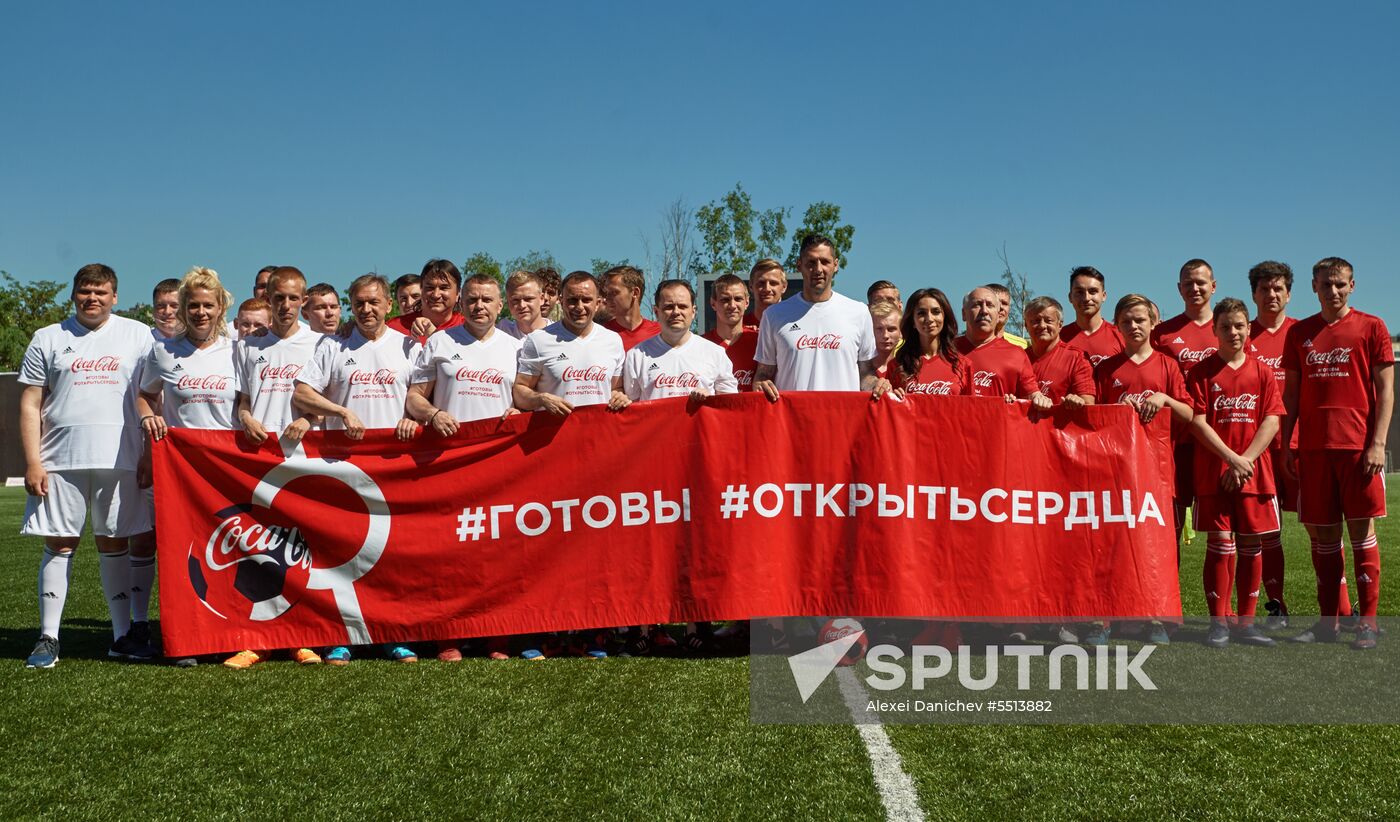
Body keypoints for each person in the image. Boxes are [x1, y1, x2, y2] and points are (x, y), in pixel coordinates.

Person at [20, 264, 155, 668]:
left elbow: (152, 399)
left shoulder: (139, 335)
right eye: (85, 291)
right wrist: (31, 461)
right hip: (59, 461)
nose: (92, 298)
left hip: (123, 459)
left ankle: (120, 637)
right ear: (74, 294)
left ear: (115, 296)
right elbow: (30, 404)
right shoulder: (48, 337)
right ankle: (48, 638)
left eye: (101, 292)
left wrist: (147, 454)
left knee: (114, 543)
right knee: (60, 543)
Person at [295, 273, 422, 665]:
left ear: (389, 305)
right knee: (342, 554)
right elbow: (302, 392)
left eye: (374, 302)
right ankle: (341, 635)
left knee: (392, 553)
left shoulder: (409, 347)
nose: (367, 310)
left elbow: (421, 395)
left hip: (395, 464)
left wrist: (413, 419)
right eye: (359, 303)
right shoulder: (333, 346)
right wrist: (339, 410)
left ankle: (392, 634)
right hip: (342, 465)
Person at [407, 274, 522, 662]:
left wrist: (520, 409)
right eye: (472, 299)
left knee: (499, 551)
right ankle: (448, 635)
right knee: (451, 552)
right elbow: (414, 398)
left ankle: (498, 637)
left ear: (499, 305)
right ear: (462, 303)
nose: (479, 306)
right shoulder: (440, 343)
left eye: (487, 299)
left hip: (501, 462)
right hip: (449, 462)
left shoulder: (516, 346)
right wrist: (435, 413)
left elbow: (524, 395)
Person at [513, 270, 627, 659]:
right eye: (572, 300)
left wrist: (619, 400)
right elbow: (520, 392)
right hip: (549, 457)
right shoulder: (537, 341)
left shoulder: (613, 342)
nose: (580, 307)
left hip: (600, 459)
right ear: (559, 300)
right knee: (548, 545)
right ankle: (542, 629)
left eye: (587, 300)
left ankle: (590, 632)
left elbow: (615, 391)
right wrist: (542, 401)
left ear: (599, 303)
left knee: (593, 546)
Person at [1282, 257, 1394, 650]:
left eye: (1340, 284)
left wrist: (1378, 443)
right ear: (1314, 286)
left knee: (1362, 533)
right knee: (1324, 539)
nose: (1333, 291)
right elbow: (1291, 395)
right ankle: (1328, 623)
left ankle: (1367, 623)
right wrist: (1288, 443)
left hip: (1357, 448)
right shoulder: (1300, 333)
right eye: (1326, 284)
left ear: (1352, 285)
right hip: (1313, 450)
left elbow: (1385, 391)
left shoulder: (1372, 326)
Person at [621, 279, 737, 655]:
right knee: (649, 545)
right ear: (656, 310)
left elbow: (733, 407)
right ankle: (645, 625)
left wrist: (710, 403)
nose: (676, 312)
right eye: (668, 306)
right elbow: (631, 413)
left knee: (694, 545)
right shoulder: (639, 355)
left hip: (699, 463)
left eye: (682, 306)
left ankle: (695, 622)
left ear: (694, 310)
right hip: (652, 465)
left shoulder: (712, 354)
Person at [1091, 294, 1194, 645]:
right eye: (1126, 321)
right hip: (1116, 469)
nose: (1134, 326)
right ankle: (1110, 618)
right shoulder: (1106, 369)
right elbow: (1094, 421)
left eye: (1140, 320)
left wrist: (1164, 399)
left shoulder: (1167, 365)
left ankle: (1158, 619)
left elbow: (1190, 415)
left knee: (1160, 545)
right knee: (1115, 544)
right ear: (1117, 326)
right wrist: (1120, 408)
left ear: (1153, 323)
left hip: (1160, 468)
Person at [1185, 298, 1284, 649]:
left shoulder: (1263, 372)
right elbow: (1197, 421)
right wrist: (1230, 459)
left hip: (1254, 472)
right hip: (1215, 471)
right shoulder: (1201, 372)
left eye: (1239, 325)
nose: (1233, 332)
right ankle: (1218, 623)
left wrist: (1245, 461)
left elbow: (1271, 420)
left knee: (1251, 545)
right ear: (1215, 330)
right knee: (1220, 544)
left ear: (1248, 328)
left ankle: (1246, 623)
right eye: (1225, 326)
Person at [1246, 260, 1316, 630]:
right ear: (1254, 294)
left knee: (1321, 528)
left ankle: (1339, 609)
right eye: (1264, 289)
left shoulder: (1303, 333)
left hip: (1302, 447)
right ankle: (1277, 606)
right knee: (1266, 532)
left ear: (1289, 293)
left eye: (1278, 289)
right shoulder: (1242, 336)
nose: (1271, 295)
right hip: (1260, 452)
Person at [753, 234, 886, 400]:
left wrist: (877, 384)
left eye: (825, 262)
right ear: (799, 265)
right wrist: (760, 384)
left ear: (835, 265)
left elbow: (865, 374)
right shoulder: (774, 315)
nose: (818, 269)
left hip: (843, 420)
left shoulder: (858, 312)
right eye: (811, 262)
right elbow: (764, 374)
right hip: (792, 422)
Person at [1152, 259, 1219, 537]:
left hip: (1218, 436)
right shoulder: (1163, 333)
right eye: (1188, 283)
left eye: (1201, 282)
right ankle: (1170, 582)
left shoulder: (1228, 328)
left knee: (1222, 527)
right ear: (1179, 289)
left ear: (1213, 287)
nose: (1195, 288)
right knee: (1171, 523)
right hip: (1176, 439)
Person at [955, 287, 1050, 408]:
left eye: (990, 305)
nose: (984, 310)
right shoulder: (946, 350)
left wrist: (1042, 400)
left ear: (998, 313)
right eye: (977, 305)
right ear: (964, 314)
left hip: (997, 425)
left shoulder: (1016, 354)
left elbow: (1032, 395)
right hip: (955, 426)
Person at [888, 288, 969, 397]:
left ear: (945, 317)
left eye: (936, 312)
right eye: (921, 313)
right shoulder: (896, 365)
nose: (929, 319)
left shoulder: (963, 364)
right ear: (912, 321)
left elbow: (971, 411)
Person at [1023, 296, 1094, 407]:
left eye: (1048, 321)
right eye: (1036, 321)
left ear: (1060, 325)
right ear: (1026, 326)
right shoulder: (1019, 358)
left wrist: (1078, 401)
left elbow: (1089, 405)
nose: (1042, 326)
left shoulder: (1077, 358)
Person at [702, 274, 759, 392]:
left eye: (738, 299)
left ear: (747, 302)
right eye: (725, 300)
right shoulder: (700, 345)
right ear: (713, 303)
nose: (732, 305)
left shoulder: (760, 341)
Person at [387, 259, 464, 343]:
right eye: (430, 288)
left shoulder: (469, 329)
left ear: (458, 293)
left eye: (443, 288)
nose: (436, 295)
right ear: (421, 290)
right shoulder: (394, 328)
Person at [1060, 266, 1124, 367]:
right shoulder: (1059, 338)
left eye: (1093, 291)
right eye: (1079, 292)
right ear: (1070, 297)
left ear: (1103, 296)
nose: (1086, 298)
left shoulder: (1121, 336)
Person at [601, 265, 661, 350]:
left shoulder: (660, 333)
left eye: (614, 292)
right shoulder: (601, 335)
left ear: (635, 293)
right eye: (606, 293)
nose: (606, 298)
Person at [498, 270, 549, 340]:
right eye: (515, 300)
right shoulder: (502, 331)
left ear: (542, 299)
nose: (522, 305)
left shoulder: (557, 334)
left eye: (528, 299)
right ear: (508, 302)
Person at [743, 258, 788, 328]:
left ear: (784, 287)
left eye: (773, 283)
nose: (767, 289)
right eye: (761, 283)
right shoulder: (739, 328)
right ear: (751, 286)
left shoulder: (795, 324)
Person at [984, 283, 1029, 350]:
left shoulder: (1024, 346)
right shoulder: (968, 344)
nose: (1000, 307)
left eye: (1004, 303)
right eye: (995, 302)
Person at [869, 301, 902, 379]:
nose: (885, 335)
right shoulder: (856, 369)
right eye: (879, 329)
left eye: (891, 329)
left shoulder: (909, 370)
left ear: (901, 332)